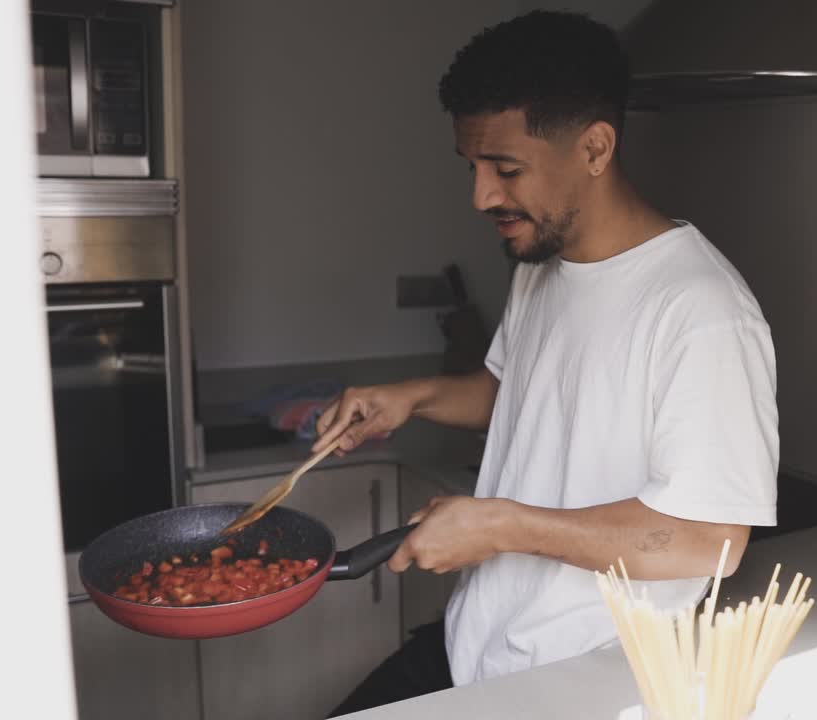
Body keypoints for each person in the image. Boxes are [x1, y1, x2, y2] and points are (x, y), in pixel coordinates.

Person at [320, 10, 778, 716]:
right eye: (472, 167)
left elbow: (707, 540)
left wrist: (501, 526)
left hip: (578, 680)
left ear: (595, 148)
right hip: (477, 639)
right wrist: (413, 396)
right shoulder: (542, 262)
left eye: (506, 169)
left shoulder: (701, 311)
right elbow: (516, 396)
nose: (481, 196)